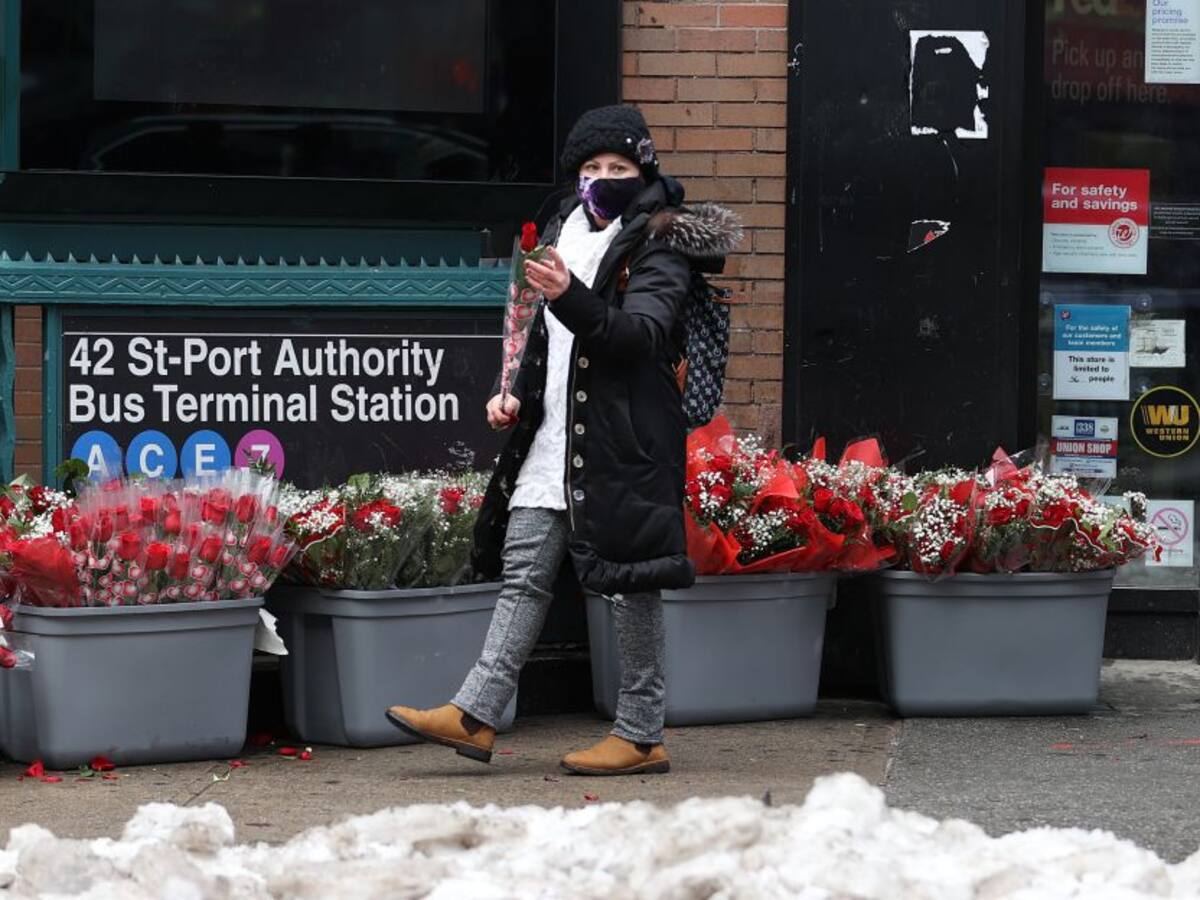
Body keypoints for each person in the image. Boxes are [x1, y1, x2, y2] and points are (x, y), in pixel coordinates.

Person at [386, 105, 742, 776]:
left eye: (619, 168)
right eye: (591, 168)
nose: (603, 179)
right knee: (524, 571)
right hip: (554, 437)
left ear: (644, 173)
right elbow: (545, 338)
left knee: (631, 584)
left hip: (625, 441)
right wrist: (513, 390)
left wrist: (571, 292)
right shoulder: (560, 232)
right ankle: (477, 713)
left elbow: (639, 336)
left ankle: (640, 734)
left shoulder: (661, 241)